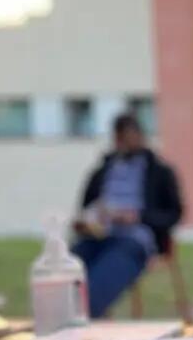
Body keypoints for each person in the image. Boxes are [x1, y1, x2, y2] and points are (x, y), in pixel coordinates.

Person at [73, 113, 183, 318]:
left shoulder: (159, 172)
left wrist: (138, 217)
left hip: (134, 240)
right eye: (120, 137)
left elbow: (174, 214)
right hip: (98, 236)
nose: (126, 142)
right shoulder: (102, 171)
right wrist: (88, 221)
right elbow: (85, 207)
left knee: (100, 280)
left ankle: (88, 317)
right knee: (68, 269)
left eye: (130, 136)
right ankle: (65, 318)